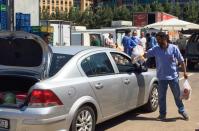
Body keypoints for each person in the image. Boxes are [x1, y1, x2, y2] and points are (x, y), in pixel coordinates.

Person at [145, 32, 189, 121]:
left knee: (177, 96)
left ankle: (182, 110)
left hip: (173, 77)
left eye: (159, 39)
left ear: (165, 39)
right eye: (157, 40)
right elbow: (146, 54)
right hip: (161, 78)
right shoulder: (156, 49)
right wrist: (137, 55)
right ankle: (162, 114)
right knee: (161, 97)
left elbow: (181, 60)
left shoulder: (174, 48)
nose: (157, 41)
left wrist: (184, 72)